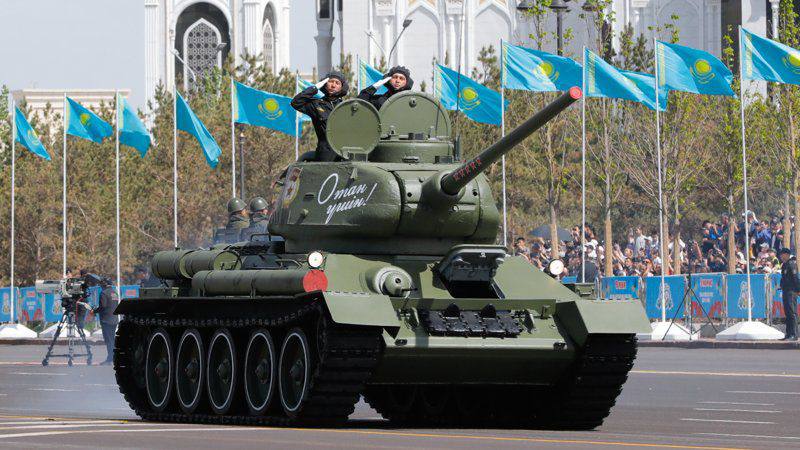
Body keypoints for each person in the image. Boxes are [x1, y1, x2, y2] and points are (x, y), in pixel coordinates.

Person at [291, 71, 349, 161]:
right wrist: (315, 88)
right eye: (330, 82)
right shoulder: (316, 104)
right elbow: (296, 102)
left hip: (345, 153)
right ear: (325, 84)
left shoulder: (346, 106)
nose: (333, 85)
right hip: (325, 154)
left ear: (342, 87)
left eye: (337, 83)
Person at [93, 278, 120, 365]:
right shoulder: (114, 292)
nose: (100, 286)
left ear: (104, 284)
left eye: (101, 284)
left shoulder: (104, 293)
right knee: (112, 339)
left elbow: (103, 306)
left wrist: (94, 311)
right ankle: (113, 358)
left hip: (106, 320)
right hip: (114, 319)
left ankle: (110, 359)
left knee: (108, 340)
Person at [778, 248, 799, 340]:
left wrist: (798, 289)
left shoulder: (791, 264)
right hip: (786, 291)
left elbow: (796, 278)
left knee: (792, 312)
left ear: (786, 254)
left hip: (791, 291)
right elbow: (783, 278)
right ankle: (788, 334)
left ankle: (794, 334)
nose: (781, 256)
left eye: (782, 254)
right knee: (787, 313)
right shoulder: (784, 265)